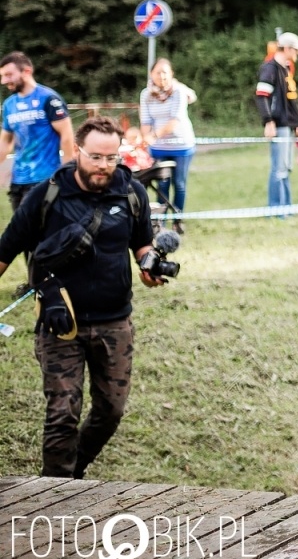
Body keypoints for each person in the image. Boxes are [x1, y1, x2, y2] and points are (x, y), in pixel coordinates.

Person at [0, 116, 166, 478]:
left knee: (111, 412)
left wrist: (149, 264)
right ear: (77, 151)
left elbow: (141, 244)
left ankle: (72, 474)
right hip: (60, 324)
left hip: (115, 323)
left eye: (111, 157)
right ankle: (56, 490)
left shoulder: (132, 193)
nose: (104, 166)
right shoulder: (46, 196)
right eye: (95, 157)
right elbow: (5, 250)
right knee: (62, 414)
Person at [2, 52, 76, 216]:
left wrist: (66, 172)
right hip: (18, 181)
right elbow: (5, 142)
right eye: (2, 76)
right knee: (21, 228)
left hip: (44, 179)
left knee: (41, 228)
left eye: (9, 75)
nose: (4, 81)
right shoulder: (9, 105)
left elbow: (66, 135)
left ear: (26, 71)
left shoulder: (49, 99)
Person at [138, 58, 197, 228]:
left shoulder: (179, 92)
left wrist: (154, 135)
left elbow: (175, 120)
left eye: (165, 72)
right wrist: (145, 139)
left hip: (182, 146)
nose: (161, 76)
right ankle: (160, 223)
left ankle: (178, 221)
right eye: (158, 72)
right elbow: (145, 121)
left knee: (179, 184)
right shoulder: (146, 94)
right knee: (161, 185)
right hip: (158, 149)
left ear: (171, 74)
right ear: (151, 74)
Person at [255, 33, 298, 208]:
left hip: (288, 125)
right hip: (278, 125)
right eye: (296, 50)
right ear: (288, 49)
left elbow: (291, 100)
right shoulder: (270, 68)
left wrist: (297, 124)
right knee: (279, 169)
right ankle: (276, 209)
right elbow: (262, 96)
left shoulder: (286, 69)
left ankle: (287, 208)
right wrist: (268, 121)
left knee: (286, 167)